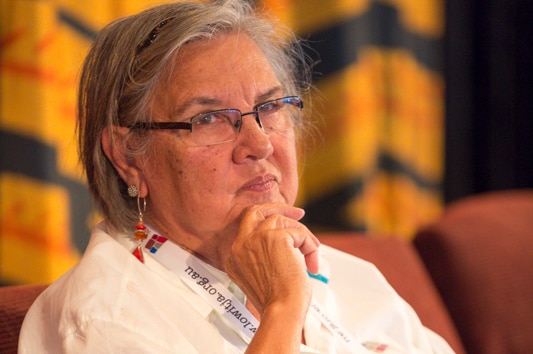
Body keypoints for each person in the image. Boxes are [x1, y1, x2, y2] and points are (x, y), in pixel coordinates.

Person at [19, 1, 454, 353]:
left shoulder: (341, 274)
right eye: (208, 119)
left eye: (269, 107)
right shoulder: (104, 320)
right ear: (127, 157)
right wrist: (283, 310)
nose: (259, 143)